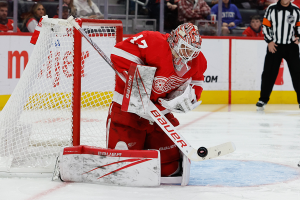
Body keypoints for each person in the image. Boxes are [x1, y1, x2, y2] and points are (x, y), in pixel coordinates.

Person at [107, 23, 206, 177]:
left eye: (193, 51)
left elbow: (197, 82)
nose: (189, 54)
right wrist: (140, 81)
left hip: (160, 116)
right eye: (185, 47)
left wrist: (188, 98)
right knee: (124, 168)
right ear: (174, 40)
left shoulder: (197, 60)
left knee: (169, 169)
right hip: (129, 112)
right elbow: (118, 52)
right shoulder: (151, 40)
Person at [256, 0, 300, 110]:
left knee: (297, 74)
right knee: (268, 73)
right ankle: (263, 99)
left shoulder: (296, 10)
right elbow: (265, 26)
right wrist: (269, 41)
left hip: (291, 46)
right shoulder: (271, 9)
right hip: (274, 46)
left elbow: (299, 25)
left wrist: (299, 36)